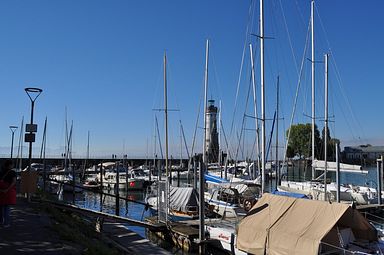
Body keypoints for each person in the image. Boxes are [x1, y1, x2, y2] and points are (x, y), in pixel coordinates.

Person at [0, 160, 17, 227]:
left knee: (1, 207)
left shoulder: (1, 172)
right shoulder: (12, 172)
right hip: (8, 191)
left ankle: (1, 221)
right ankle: (6, 223)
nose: (13, 166)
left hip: (1, 191)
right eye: (12, 164)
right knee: (7, 207)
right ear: (9, 165)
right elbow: (14, 182)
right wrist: (7, 189)